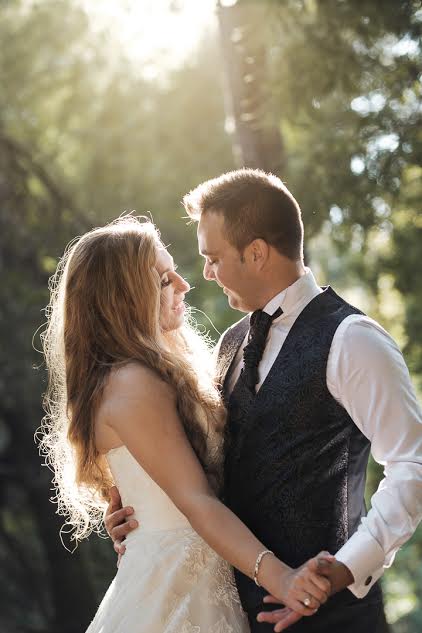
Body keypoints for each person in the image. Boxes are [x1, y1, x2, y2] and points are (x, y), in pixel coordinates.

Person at [106, 170, 422, 632]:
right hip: (236, 614)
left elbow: (413, 464)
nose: (206, 274)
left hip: (335, 620)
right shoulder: (232, 344)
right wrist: (147, 516)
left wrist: (346, 568)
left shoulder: (353, 340)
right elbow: (214, 472)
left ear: (256, 253)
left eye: (213, 258)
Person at [39, 215, 332, 633]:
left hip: (195, 575)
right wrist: (282, 579)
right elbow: (196, 502)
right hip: (178, 589)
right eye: (162, 280)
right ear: (123, 298)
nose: (183, 284)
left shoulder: (148, 374)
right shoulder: (131, 383)